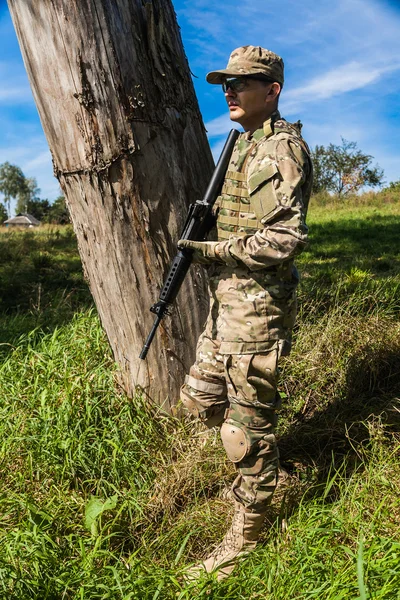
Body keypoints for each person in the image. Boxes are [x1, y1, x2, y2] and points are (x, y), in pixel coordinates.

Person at [178, 45, 313, 580]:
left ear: (272, 89)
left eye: (242, 82)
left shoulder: (282, 150)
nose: (230, 91)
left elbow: (282, 239)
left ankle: (246, 534)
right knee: (197, 400)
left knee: (244, 432)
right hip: (225, 303)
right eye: (226, 83)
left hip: (256, 311)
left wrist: (210, 251)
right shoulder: (242, 144)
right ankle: (259, 461)